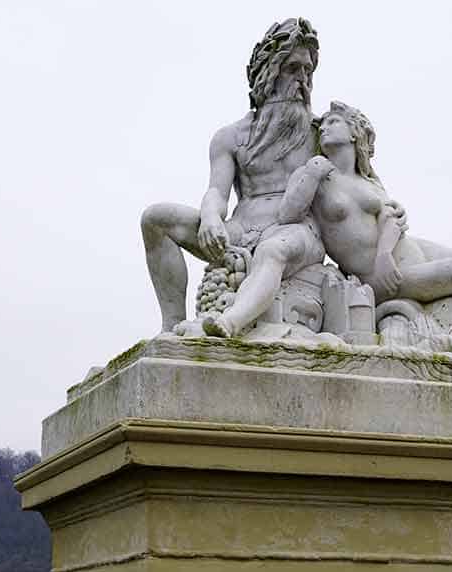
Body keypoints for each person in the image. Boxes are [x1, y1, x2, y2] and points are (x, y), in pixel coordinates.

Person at [278, 101, 452, 330]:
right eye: (322, 124)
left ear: (354, 134)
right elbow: (287, 214)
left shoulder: (369, 180)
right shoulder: (315, 174)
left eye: (333, 122)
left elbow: (389, 217)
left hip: (403, 252)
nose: (324, 128)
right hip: (383, 278)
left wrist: (384, 251)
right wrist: (312, 172)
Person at [140, 18, 328, 338]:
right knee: (155, 219)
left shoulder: (320, 133)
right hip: (241, 230)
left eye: (308, 71)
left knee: (273, 249)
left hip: (297, 232)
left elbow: (356, 181)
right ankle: (171, 326)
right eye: (293, 68)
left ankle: (230, 323)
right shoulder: (230, 137)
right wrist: (212, 217)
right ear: (268, 72)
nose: (303, 80)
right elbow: (217, 190)